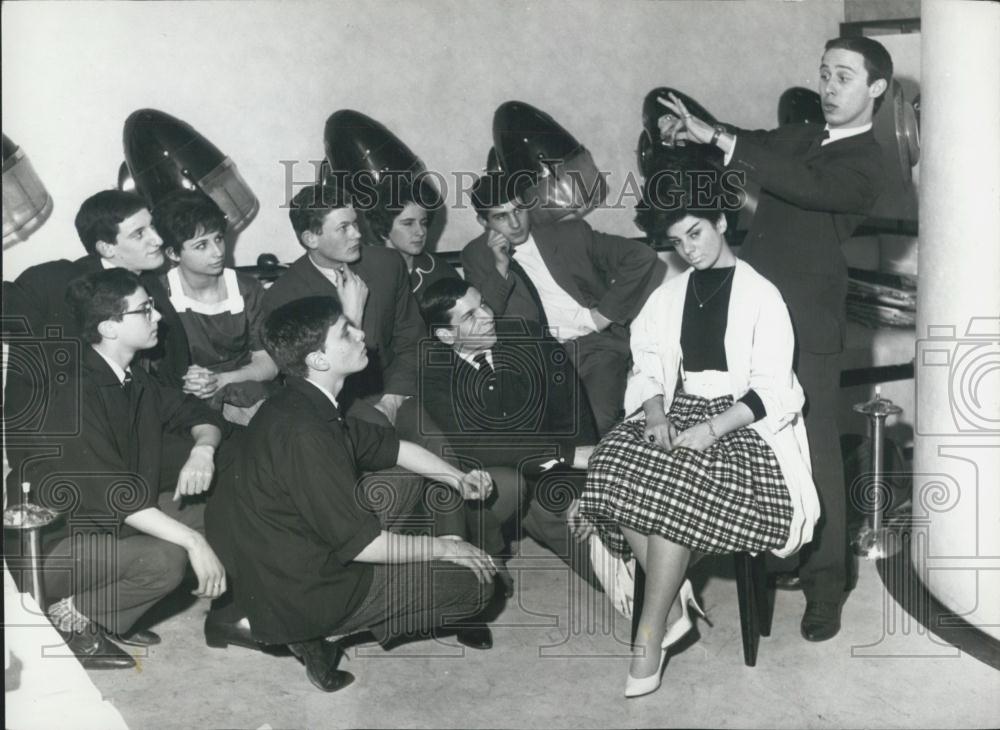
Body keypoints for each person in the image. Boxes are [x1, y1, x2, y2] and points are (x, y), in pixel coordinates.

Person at [658, 35, 892, 641]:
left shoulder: (871, 159)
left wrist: (720, 139)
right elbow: (758, 145)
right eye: (824, 75)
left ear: (876, 89)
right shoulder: (803, 134)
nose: (829, 87)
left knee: (815, 454)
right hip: (753, 316)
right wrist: (698, 128)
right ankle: (780, 548)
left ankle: (827, 587)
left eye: (844, 77)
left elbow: (802, 185)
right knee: (756, 440)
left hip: (808, 324)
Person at [579, 183, 819, 698]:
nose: (689, 249)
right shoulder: (668, 296)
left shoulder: (762, 295)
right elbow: (645, 365)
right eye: (678, 241)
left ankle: (651, 629)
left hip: (743, 428)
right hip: (679, 408)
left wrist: (708, 431)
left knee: (675, 485)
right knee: (610, 465)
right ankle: (676, 594)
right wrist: (655, 414)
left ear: (721, 223)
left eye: (696, 232)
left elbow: (773, 390)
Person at [204, 296, 495, 692]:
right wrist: (445, 547)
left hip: (279, 556)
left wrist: (457, 478)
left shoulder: (301, 401)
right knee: (474, 586)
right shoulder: (307, 433)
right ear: (318, 361)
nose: (362, 334)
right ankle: (315, 635)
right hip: (306, 589)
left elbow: (394, 448)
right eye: (346, 331)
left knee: (405, 477)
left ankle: (304, 617)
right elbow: (366, 546)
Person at [5, 269, 228, 670]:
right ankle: (76, 619)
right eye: (145, 310)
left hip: (104, 525)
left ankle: (113, 612)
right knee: (166, 559)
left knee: (223, 509)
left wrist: (203, 451)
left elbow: (193, 412)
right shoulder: (71, 392)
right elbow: (117, 497)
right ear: (110, 327)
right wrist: (195, 543)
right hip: (52, 548)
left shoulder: (129, 375)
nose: (158, 316)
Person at [418, 277, 599, 587]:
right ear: (447, 336)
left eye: (483, 304)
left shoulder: (529, 337)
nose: (488, 316)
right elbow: (479, 445)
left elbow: (573, 413)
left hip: (553, 467)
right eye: (470, 316)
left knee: (604, 533)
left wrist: (584, 489)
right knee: (535, 500)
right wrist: (564, 456)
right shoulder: (434, 374)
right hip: (494, 480)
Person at [461, 170, 666, 436]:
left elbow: (642, 256)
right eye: (501, 216)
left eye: (519, 210)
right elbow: (486, 318)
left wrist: (605, 314)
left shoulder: (568, 232)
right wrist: (500, 267)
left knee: (594, 423)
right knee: (536, 432)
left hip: (594, 349)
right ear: (483, 221)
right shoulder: (476, 255)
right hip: (536, 363)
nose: (515, 223)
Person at [7, 190, 190, 387]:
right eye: (139, 234)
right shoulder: (55, 279)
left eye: (152, 226)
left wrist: (187, 381)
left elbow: (166, 364)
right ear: (106, 248)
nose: (158, 240)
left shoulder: (149, 282)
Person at [153, 189, 278, 424]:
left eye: (218, 238)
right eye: (201, 245)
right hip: (184, 399)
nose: (217, 252)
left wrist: (221, 380)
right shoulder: (158, 296)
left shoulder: (246, 289)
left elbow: (269, 364)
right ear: (173, 253)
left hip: (247, 388)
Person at [364, 179, 461, 298]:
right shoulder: (363, 276)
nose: (420, 232)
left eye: (423, 223)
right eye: (408, 224)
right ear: (383, 228)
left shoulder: (442, 273)